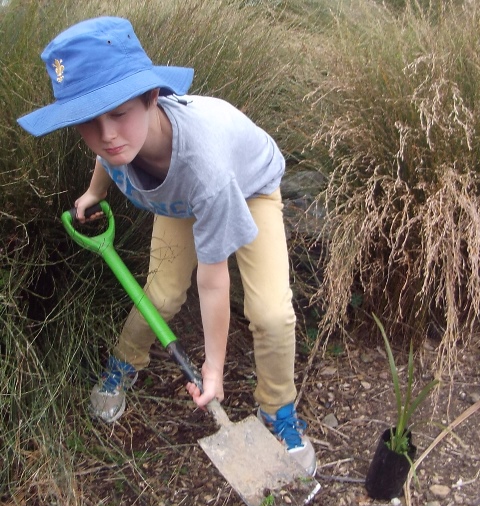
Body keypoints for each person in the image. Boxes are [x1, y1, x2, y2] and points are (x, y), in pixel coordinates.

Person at [18, 16, 317, 475]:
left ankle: (277, 410)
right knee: (159, 294)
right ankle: (123, 364)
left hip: (246, 188)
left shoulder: (206, 167)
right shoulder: (118, 140)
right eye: (88, 121)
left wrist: (213, 369)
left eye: (118, 114)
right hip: (185, 197)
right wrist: (95, 192)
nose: (107, 135)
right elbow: (106, 157)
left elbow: (213, 282)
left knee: (270, 312)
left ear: (151, 96)